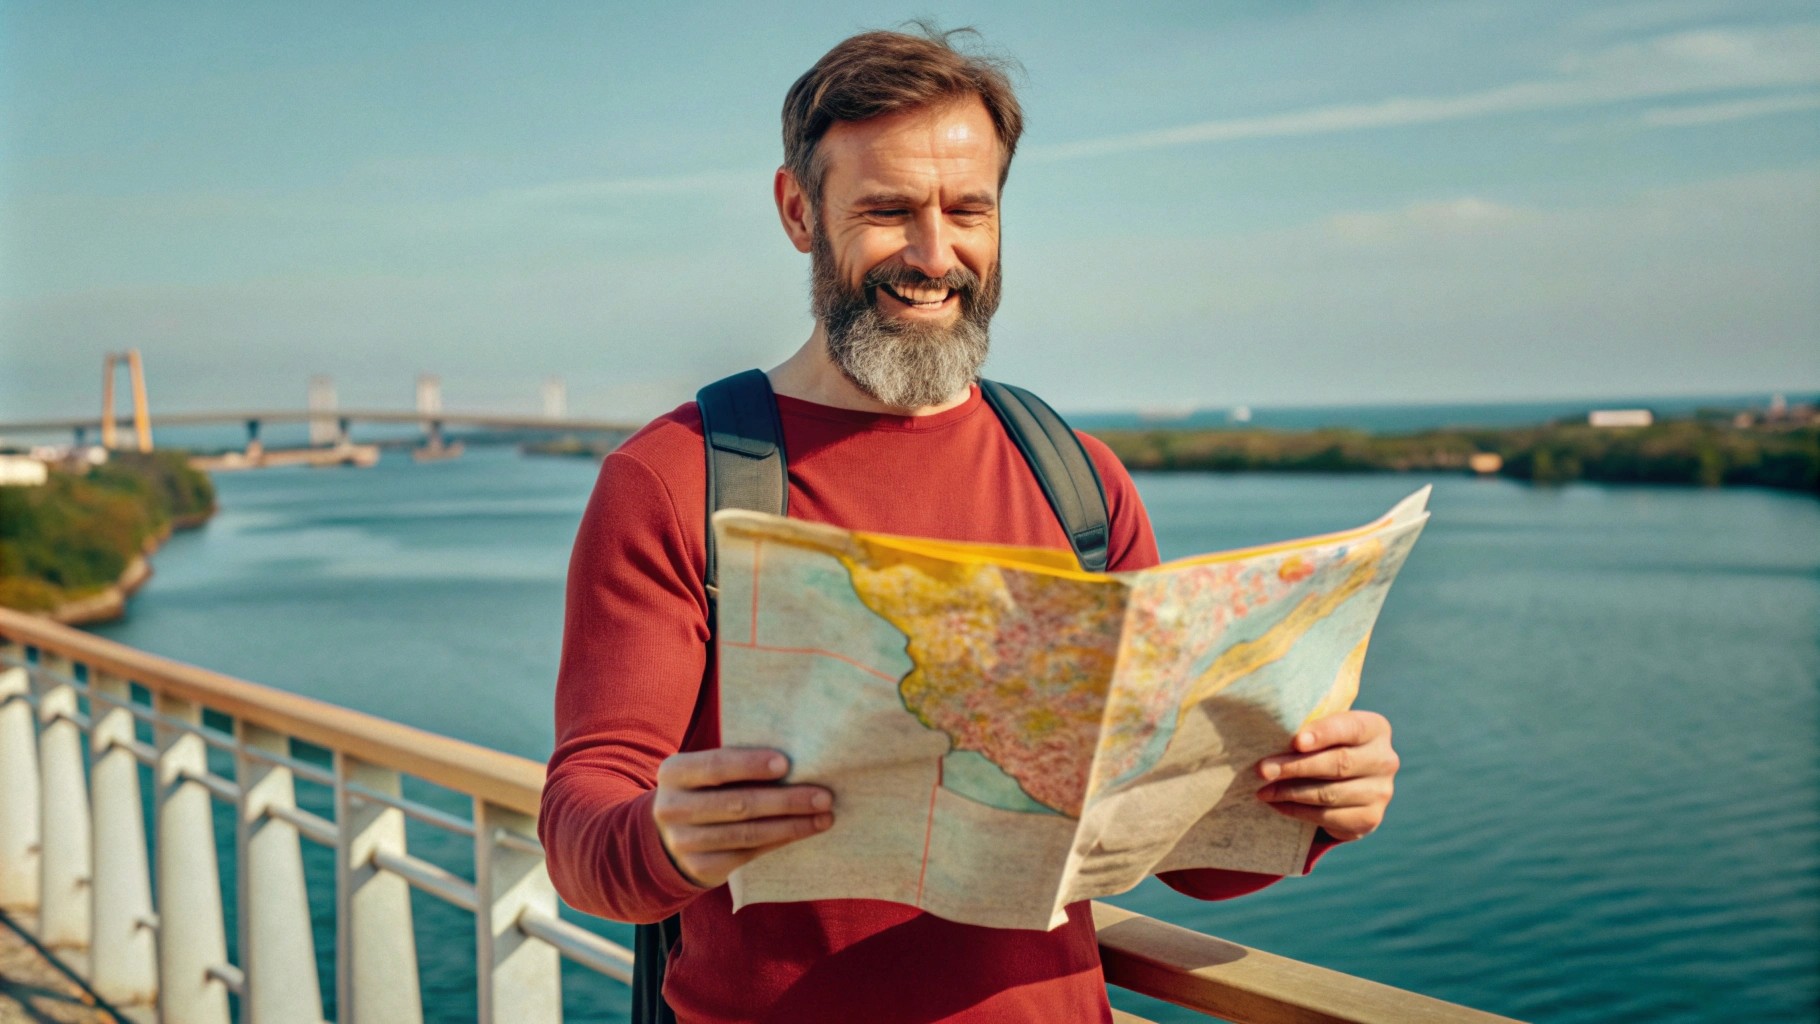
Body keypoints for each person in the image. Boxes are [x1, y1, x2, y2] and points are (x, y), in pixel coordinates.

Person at [541, 26, 1400, 1023]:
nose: (933, 255)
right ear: (796, 211)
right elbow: (581, 825)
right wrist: (662, 838)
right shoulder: (675, 476)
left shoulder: (1078, 480)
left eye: (967, 211)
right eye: (887, 210)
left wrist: (1308, 800)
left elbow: (1170, 847)